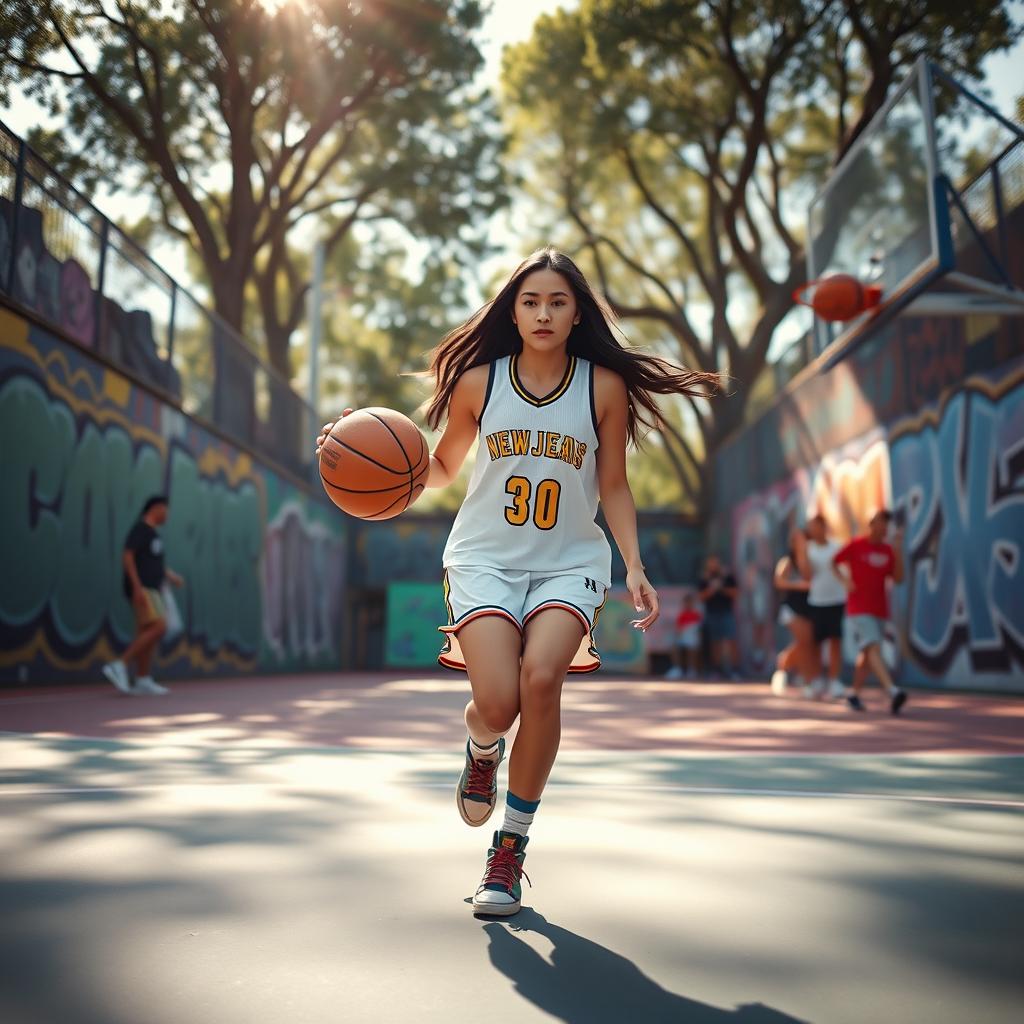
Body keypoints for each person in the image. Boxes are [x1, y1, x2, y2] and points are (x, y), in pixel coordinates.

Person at [316, 248, 714, 916]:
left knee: (542, 679)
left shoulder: (602, 388)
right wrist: (368, 452)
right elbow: (439, 468)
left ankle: (509, 851)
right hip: (484, 561)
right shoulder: (479, 382)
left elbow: (612, 483)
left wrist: (635, 565)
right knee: (498, 705)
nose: (543, 313)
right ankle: (482, 746)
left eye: (558, 301)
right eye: (530, 301)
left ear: (577, 311)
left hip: (570, 563)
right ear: (512, 309)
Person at [102, 495, 184, 696]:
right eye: (166, 509)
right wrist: (137, 587)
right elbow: (128, 555)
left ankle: (143, 679)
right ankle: (119, 664)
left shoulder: (154, 534)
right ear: (155, 508)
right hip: (144, 590)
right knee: (159, 627)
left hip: (153, 589)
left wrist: (170, 575)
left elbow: (153, 563)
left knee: (145, 634)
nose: (167, 514)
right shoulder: (141, 529)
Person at [832, 509, 907, 714]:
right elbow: (834, 562)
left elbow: (898, 579)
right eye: (879, 522)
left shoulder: (889, 551)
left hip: (879, 609)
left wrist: (898, 549)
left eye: (886, 523)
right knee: (873, 648)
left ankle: (854, 694)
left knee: (867, 655)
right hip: (858, 609)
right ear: (871, 523)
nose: (882, 526)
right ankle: (893, 691)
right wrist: (845, 580)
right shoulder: (856, 545)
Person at [798, 513, 847, 700]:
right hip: (816, 601)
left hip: (836, 599)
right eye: (809, 526)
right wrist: (802, 553)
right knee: (815, 642)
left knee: (836, 640)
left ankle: (834, 681)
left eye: (815, 526)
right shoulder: (808, 549)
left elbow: (844, 570)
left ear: (823, 526)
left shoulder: (837, 546)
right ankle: (816, 681)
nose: (812, 530)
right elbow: (806, 574)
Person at [769, 529, 819, 697]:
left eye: (802, 539)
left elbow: (810, 577)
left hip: (809, 607)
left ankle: (782, 664)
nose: (799, 542)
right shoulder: (786, 561)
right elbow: (779, 582)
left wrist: (803, 555)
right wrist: (798, 585)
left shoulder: (809, 560)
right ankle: (808, 682)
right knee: (805, 642)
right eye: (795, 540)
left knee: (808, 642)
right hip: (791, 608)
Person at [697, 555, 739, 679]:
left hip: (727, 613)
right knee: (715, 643)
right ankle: (717, 670)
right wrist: (712, 589)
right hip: (712, 613)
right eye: (711, 563)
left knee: (731, 641)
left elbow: (735, 593)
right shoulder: (705, 578)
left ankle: (735, 670)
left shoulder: (727, 577)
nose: (713, 565)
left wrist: (721, 587)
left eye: (715, 562)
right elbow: (701, 597)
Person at [665, 591, 702, 679]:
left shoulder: (697, 614)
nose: (688, 604)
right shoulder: (682, 614)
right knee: (674, 646)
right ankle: (677, 669)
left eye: (690, 602)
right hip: (682, 637)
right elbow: (678, 628)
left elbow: (698, 628)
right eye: (686, 602)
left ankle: (691, 670)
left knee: (692, 647)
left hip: (693, 638)